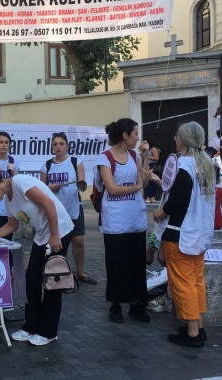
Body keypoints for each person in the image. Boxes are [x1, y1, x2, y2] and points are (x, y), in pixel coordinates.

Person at [0, 158, 74, 347]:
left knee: (53, 281)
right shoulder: (8, 201)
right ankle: (31, 326)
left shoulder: (20, 182)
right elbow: (12, 225)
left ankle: (49, 331)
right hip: (42, 235)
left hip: (59, 230)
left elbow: (49, 204)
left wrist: (55, 235)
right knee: (32, 279)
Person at [153, 121, 215, 347]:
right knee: (197, 282)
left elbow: (178, 200)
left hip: (181, 233)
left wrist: (161, 212)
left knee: (182, 283)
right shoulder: (206, 164)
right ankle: (199, 326)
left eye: (177, 137)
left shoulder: (185, 165)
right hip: (199, 235)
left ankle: (191, 333)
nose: (175, 141)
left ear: (184, 140)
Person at [94, 118, 150, 323]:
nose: (138, 138)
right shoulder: (105, 158)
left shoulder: (134, 155)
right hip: (116, 219)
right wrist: (136, 188)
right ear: (125, 135)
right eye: (135, 134)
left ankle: (137, 304)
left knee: (136, 261)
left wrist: (145, 158)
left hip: (134, 216)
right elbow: (112, 188)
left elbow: (143, 181)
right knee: (117, 262)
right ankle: (115, 304)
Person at [40, 132, 95, 284]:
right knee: (58, 243)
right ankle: (58, 273)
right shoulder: (47, 165)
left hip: (73, 207)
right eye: (55, 144)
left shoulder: (76, 162)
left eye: (61, 144)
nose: (58, 147)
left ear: (67, 146)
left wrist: (82, 184)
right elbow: (41, 189)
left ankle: (81, 272)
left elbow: (82, 185)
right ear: (52, 147)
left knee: (78, 240)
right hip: (55, 210)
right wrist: (50, 187)